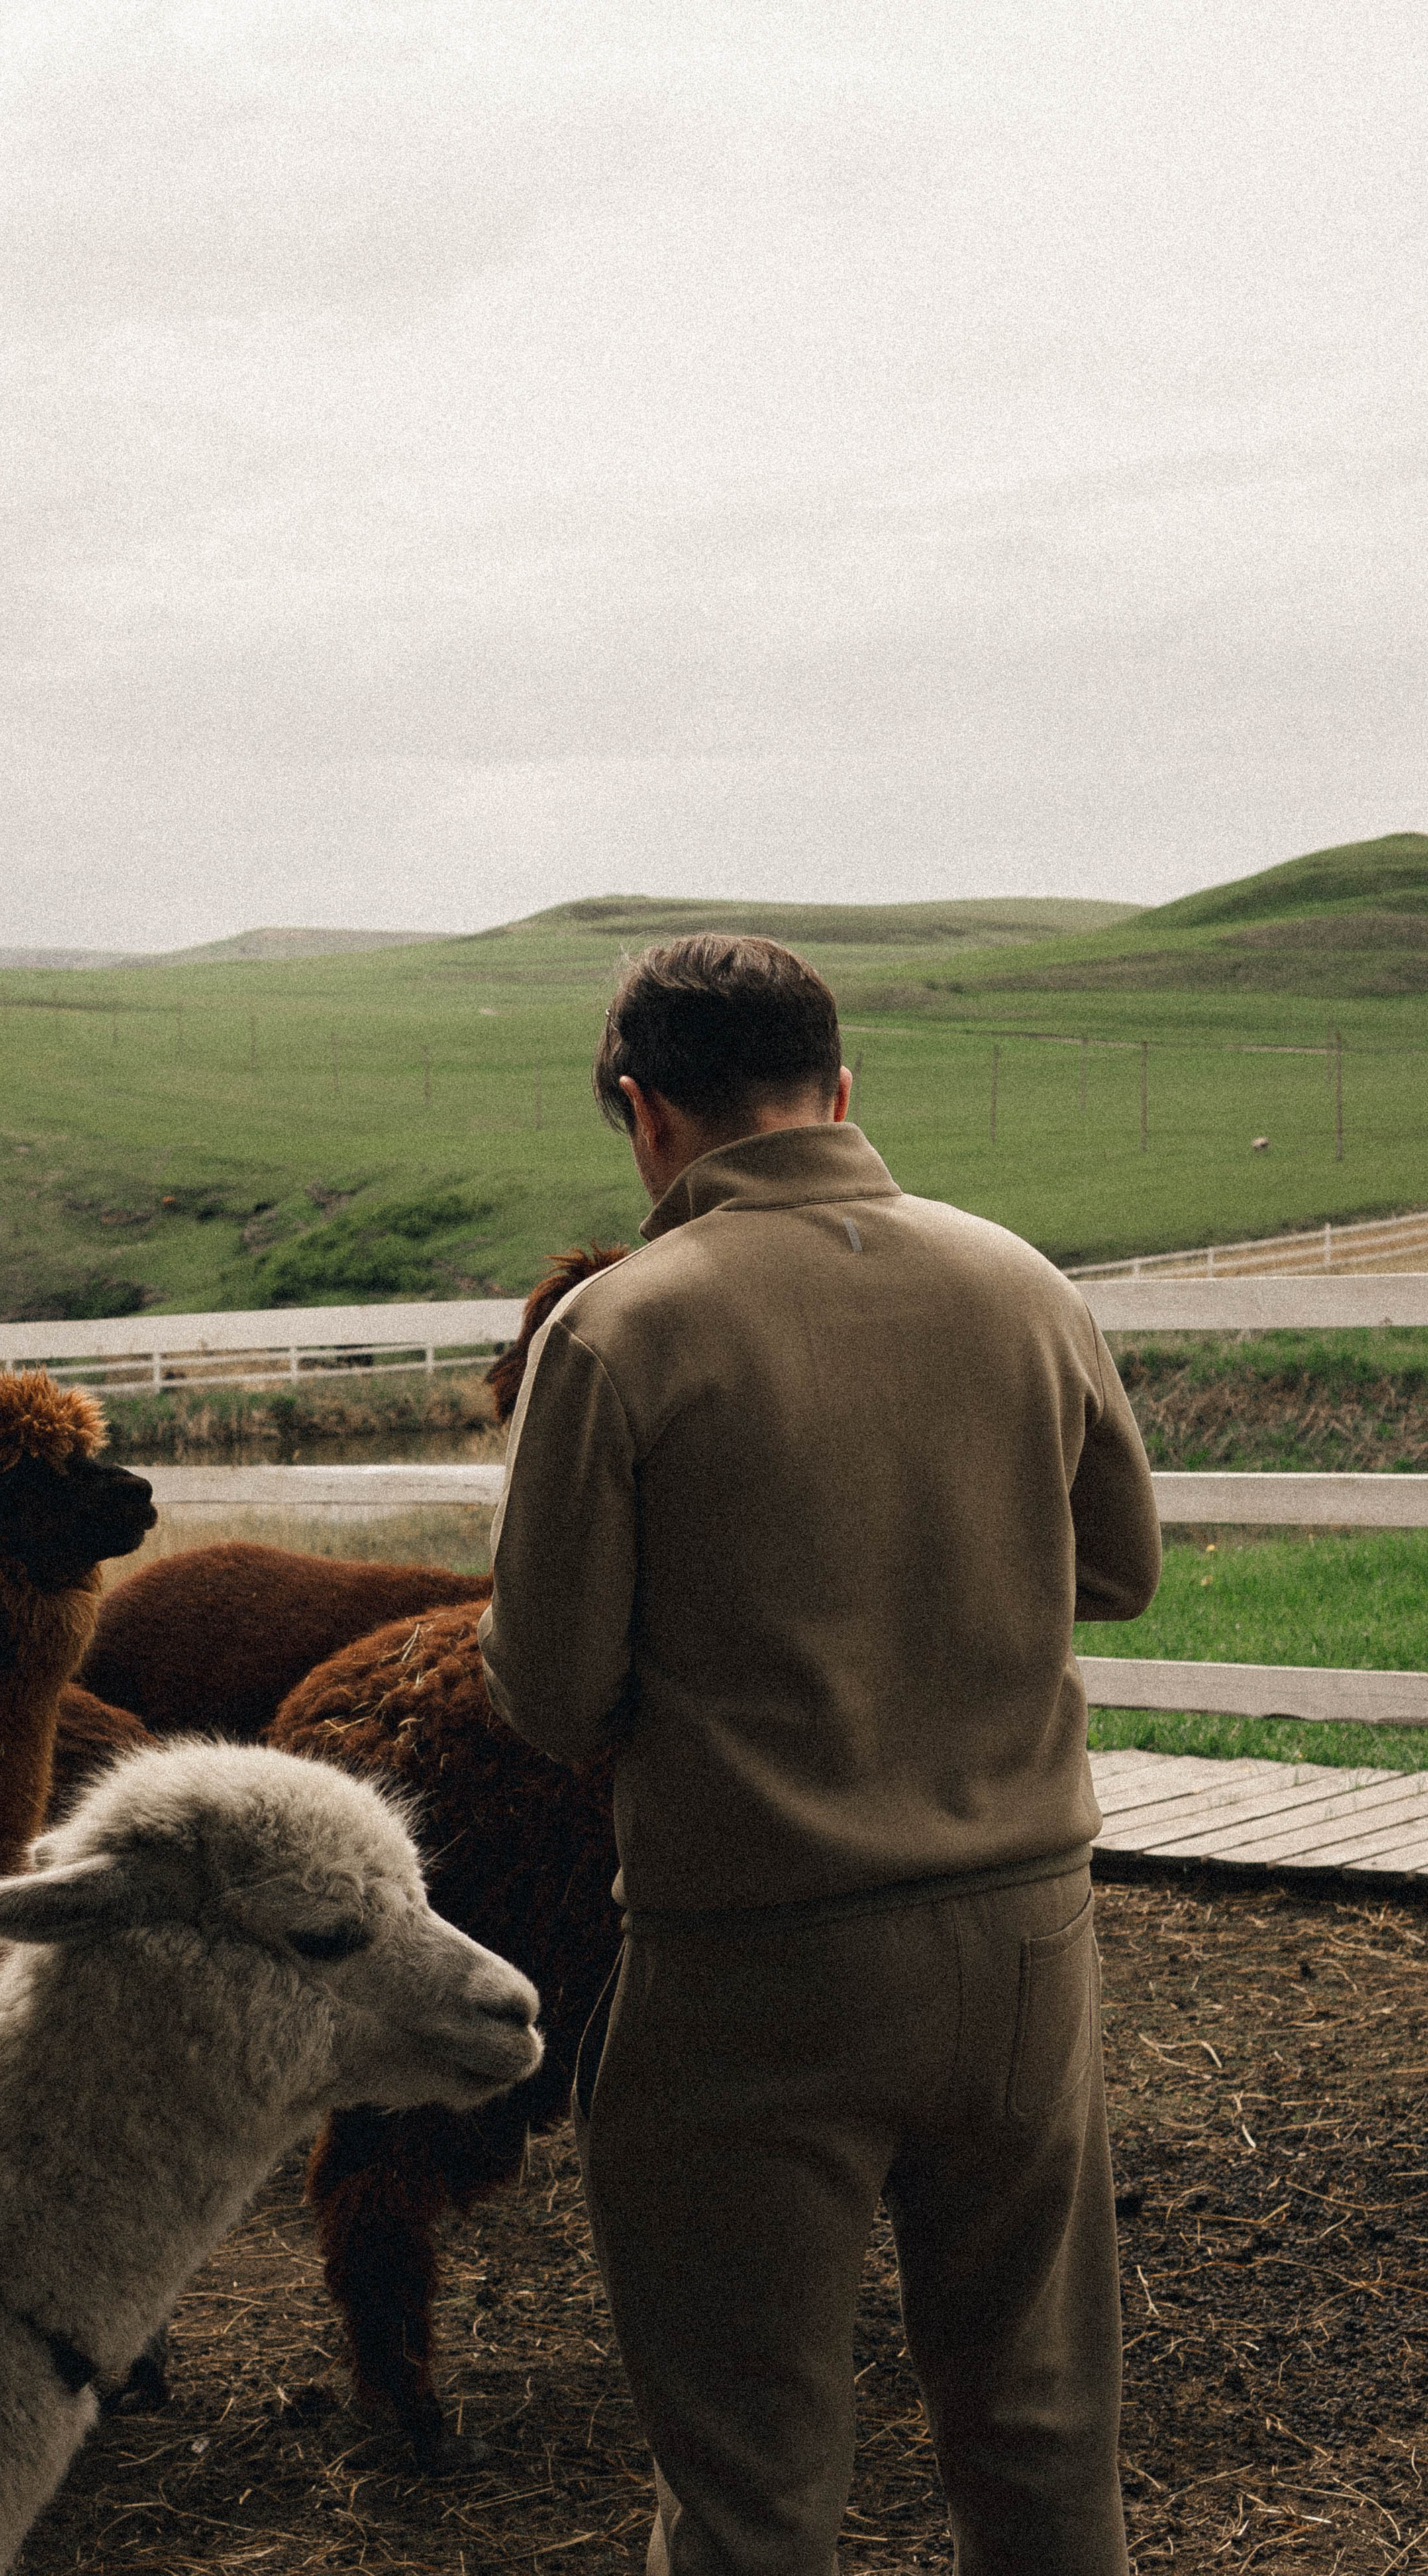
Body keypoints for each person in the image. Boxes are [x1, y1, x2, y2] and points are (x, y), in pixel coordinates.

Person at [477, 933, 1161, 2576]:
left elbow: (551, 1691)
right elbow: (1118, 1571)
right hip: (1021, 1947)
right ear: (839, 1092)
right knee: (1045, 2432)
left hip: (749, 1966)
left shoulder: (620, 1332)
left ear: (642, 1112)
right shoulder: (1019, 1281)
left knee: (751, 2476)